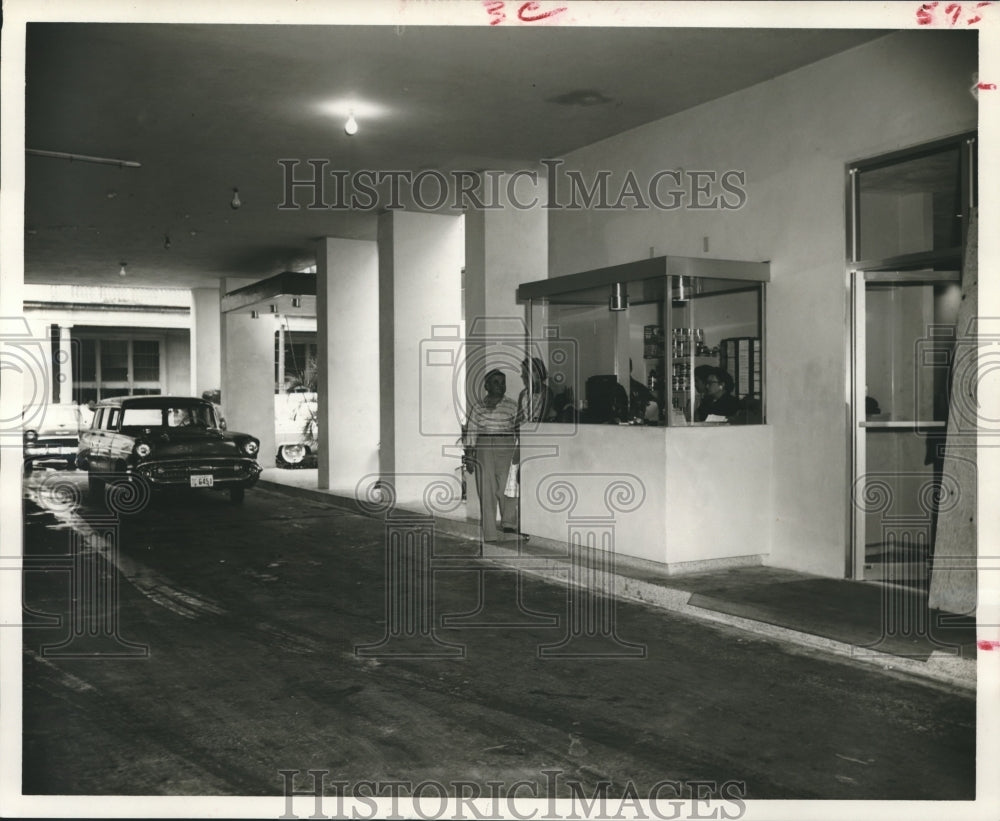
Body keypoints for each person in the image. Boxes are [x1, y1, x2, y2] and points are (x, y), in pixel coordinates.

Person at [464, 368, 519, 544]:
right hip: (484, 447)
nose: (500, 386)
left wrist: (519, 452)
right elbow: (471, 432)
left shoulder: (512, 405)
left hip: (507, 445)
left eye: (502, 382)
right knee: (486, 489)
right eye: (495, 382)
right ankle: (490, 534)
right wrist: (470, 457)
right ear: (487, 386)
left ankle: (509, 524)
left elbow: (519, 429)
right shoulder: (478, 407)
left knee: (507, 486)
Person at [517, 356, 556, 424]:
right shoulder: (523, 394)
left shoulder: (546, 392)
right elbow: (519, 417)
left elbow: (542, 418)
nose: (523, 376)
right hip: (526, 429)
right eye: (523, 374)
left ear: (538, 375)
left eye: (526, 374)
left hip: (542, 429)